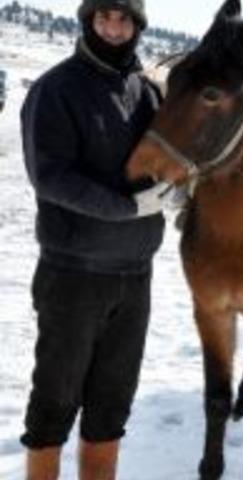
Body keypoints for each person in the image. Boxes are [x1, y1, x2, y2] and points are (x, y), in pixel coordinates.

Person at [19, 1, 168, 478]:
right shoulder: (56, 89)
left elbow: (172, 156)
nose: (113, 27)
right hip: (74, 274)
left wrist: (179, 190)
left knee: (112, 402)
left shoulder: (147, 93)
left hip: (134, 276)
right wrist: (126, 208)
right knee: (55, 398)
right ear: (88, 21)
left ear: (137, 26)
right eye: (104, 16)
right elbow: (51, 177)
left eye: (124, 18)